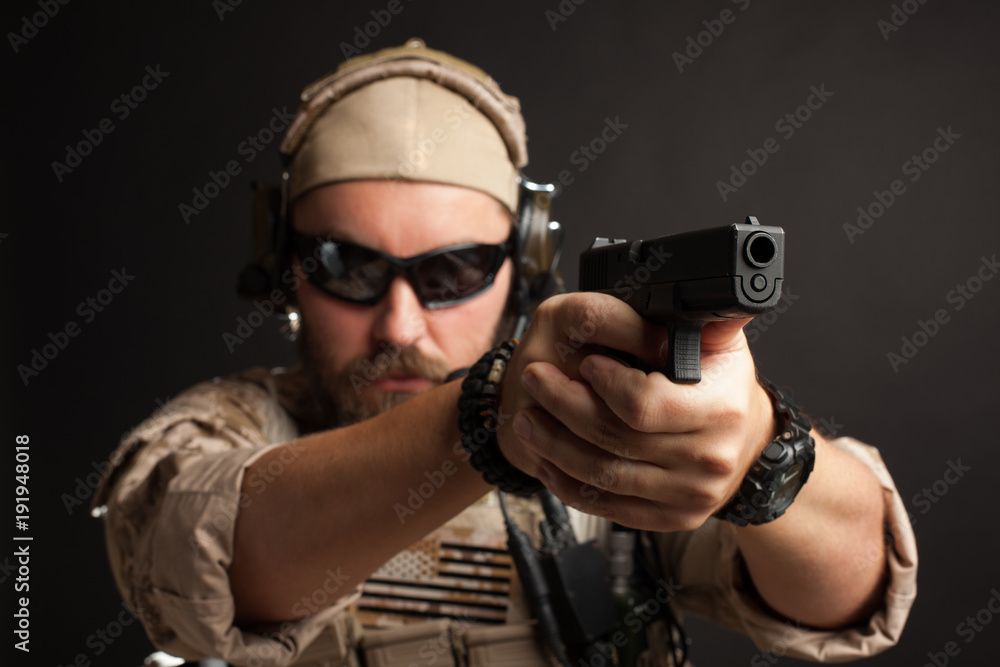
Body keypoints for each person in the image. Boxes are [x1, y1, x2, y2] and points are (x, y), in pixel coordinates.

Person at [93, 39, 916, 667]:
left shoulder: (597, 434)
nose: (400, 326)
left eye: (452, 270)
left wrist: (760, 456)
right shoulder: (233, 428)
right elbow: (207, 558)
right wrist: (490, 419)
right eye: (349, 266)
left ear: (520, 267)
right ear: (285, 268)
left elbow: (849, 589)